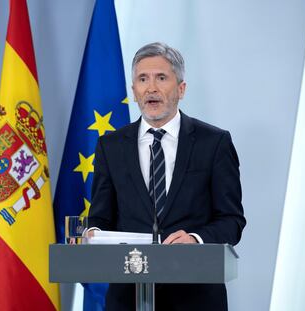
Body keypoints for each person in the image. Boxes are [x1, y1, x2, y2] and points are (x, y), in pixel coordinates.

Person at [88, 42, 246, 311]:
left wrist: (196, 238)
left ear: (181, 89)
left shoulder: (214, 142)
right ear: (134, 91)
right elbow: (101, 217)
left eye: (161, 78)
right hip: (128, 298)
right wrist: (93, 233)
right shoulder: (110, 146)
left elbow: (232, 220)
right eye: (142, 79)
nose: (151, 88)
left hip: (195, 298)